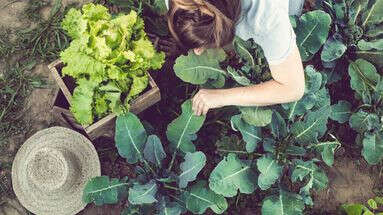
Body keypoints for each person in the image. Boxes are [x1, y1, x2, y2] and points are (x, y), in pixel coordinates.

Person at [163, 0, 305, 116]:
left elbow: (293, 88)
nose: (198, 53)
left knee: (291, 13)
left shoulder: (267, 17)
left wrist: (221, 97)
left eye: (204, 46)